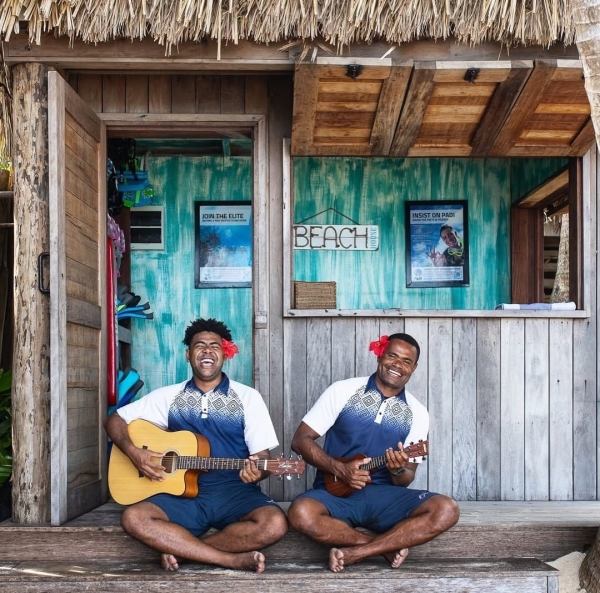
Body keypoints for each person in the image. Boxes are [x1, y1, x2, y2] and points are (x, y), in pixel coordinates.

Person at [104, 318, 288, 573]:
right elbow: (115, 420)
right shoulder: (169, 396)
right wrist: (134, 453)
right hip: (180, 495)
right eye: (199, 345)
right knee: (134, 518)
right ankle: (227, 559)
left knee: (274, 523)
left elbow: (262, 457)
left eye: (214, 346)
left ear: (225, 354)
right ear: (188, 354)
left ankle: (188, 550)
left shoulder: (247, 397)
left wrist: (260, 469)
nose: (207, 351)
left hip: (233, 492)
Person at [288, 332, 459, 573]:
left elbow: (405, 478)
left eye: (406, 361)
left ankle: (358, 553)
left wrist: (398, 467)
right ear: (380, 356)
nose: (397, 365)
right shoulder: (343, 390)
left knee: (446, 509)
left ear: (414, 368)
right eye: (392, 356)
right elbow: (300, 440)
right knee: (301, 512)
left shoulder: (418, 413)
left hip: (382, 497)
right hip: (334, 493)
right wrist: (340, 469)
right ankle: (381, 547)